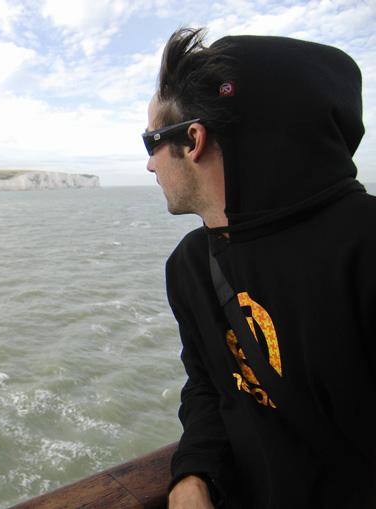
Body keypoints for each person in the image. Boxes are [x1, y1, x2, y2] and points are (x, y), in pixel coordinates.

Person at [143, 27, 376, 507]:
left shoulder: (364, 248)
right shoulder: (192, 265)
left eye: (151, 142)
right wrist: (195, 471)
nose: (149, 166)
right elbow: (208, 386)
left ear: (193, 140)